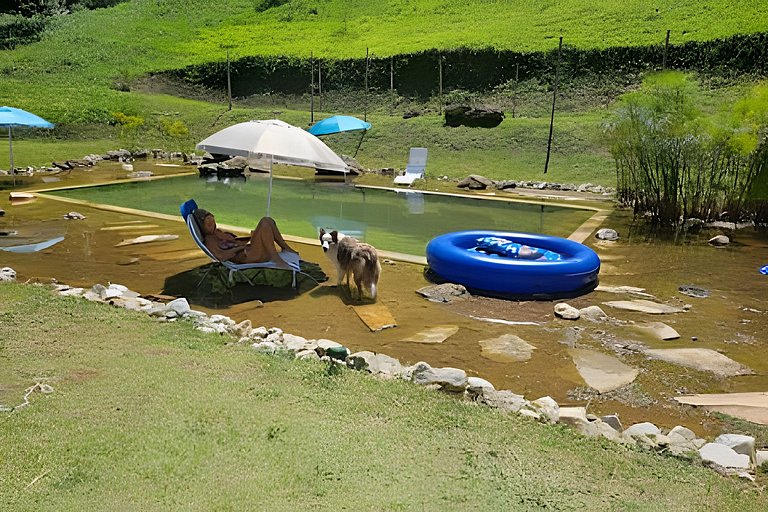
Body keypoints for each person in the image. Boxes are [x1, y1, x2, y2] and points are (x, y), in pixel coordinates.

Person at [193, 208, 297, 269]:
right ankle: (276, 259)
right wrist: (240, 248)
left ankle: (286, 248)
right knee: (265, 222)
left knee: (268, 221)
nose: (213, 225)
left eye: (213, 222)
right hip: (249, 257)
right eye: (209, 224)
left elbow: (235, 241)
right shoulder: (209, 240)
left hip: (250, 251)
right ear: (202, 227)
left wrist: (251, 237)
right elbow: (220, 256)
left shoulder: (217, 232)